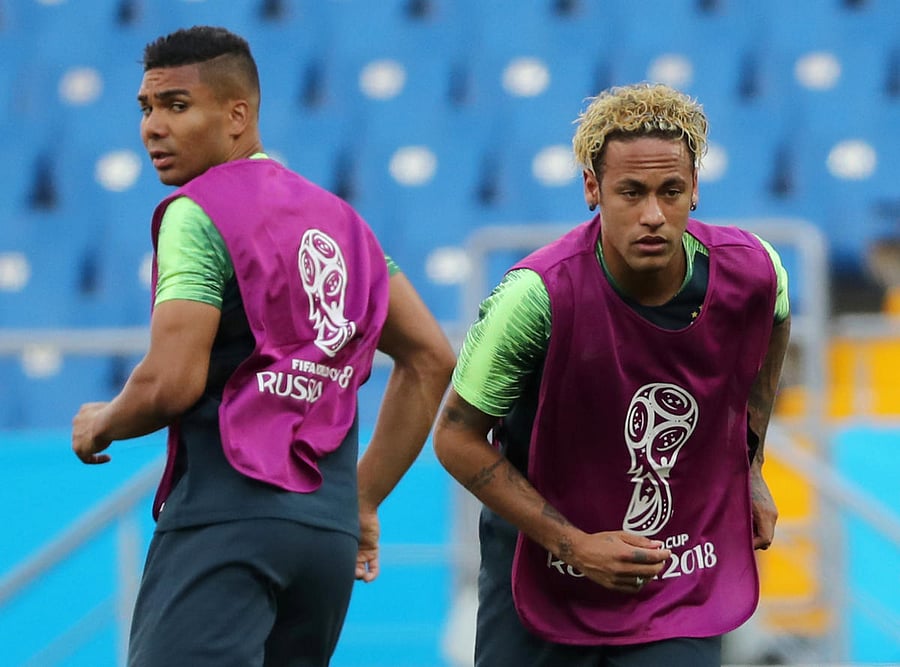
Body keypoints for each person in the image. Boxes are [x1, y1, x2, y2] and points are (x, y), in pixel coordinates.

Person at [71, 26, 455, 667]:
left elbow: (171, 383)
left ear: (237, 115)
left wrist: (102, 423)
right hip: (325, 542)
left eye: (176, 105)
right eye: (146, 107)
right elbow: (432, 358)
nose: (153, 128)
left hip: (228, 521)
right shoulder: (343, 221)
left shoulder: (199, 212)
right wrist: (361, 500)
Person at [433, 82, 791, 667]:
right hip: (544, 576)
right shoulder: (535, 296)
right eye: (631, 192)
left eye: (671, 191)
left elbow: (775, 316)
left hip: (676, 579)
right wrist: (575, 544)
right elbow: (455, 437)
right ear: (593, 189)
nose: (653, 215)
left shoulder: (753, 271)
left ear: (695, 189)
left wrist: (749, 465)